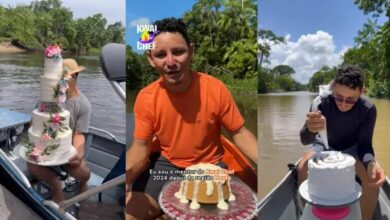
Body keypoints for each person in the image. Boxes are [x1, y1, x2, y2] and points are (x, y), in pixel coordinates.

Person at [125, 18, 258, 219]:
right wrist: (128, 172)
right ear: (151, 59)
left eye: (178, 52)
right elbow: (141, 146)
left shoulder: (215, 88)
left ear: (192, 51)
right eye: (161, 55)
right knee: (130, 212)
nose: (171, 62)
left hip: (213, 167)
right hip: (166, 167)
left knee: (250, 212)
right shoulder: (146, 97)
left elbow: (239, 132)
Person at [298, 65, 385, 220]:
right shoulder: (321, 103)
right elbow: (305, 140)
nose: (343, 104)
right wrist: (310, 129)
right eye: (338, 97)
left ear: (361, 92)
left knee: (371, 178)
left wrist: (371, 162)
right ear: (333, 88)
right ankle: (307, 214)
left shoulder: (368, 109)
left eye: (351, 99)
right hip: (324, 144)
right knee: (303, 166)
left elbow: (365, 144)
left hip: (353, 147)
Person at [28, 58, 91, 203]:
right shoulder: (47, 98)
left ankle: (82, 183)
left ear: (73, 77)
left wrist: (79, 154)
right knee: (32, 164)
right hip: (44, 146)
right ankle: (56, 186)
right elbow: (34, 122)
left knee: (84, 173)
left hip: (66, 148)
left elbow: (79, 133)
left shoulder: (83, 104)